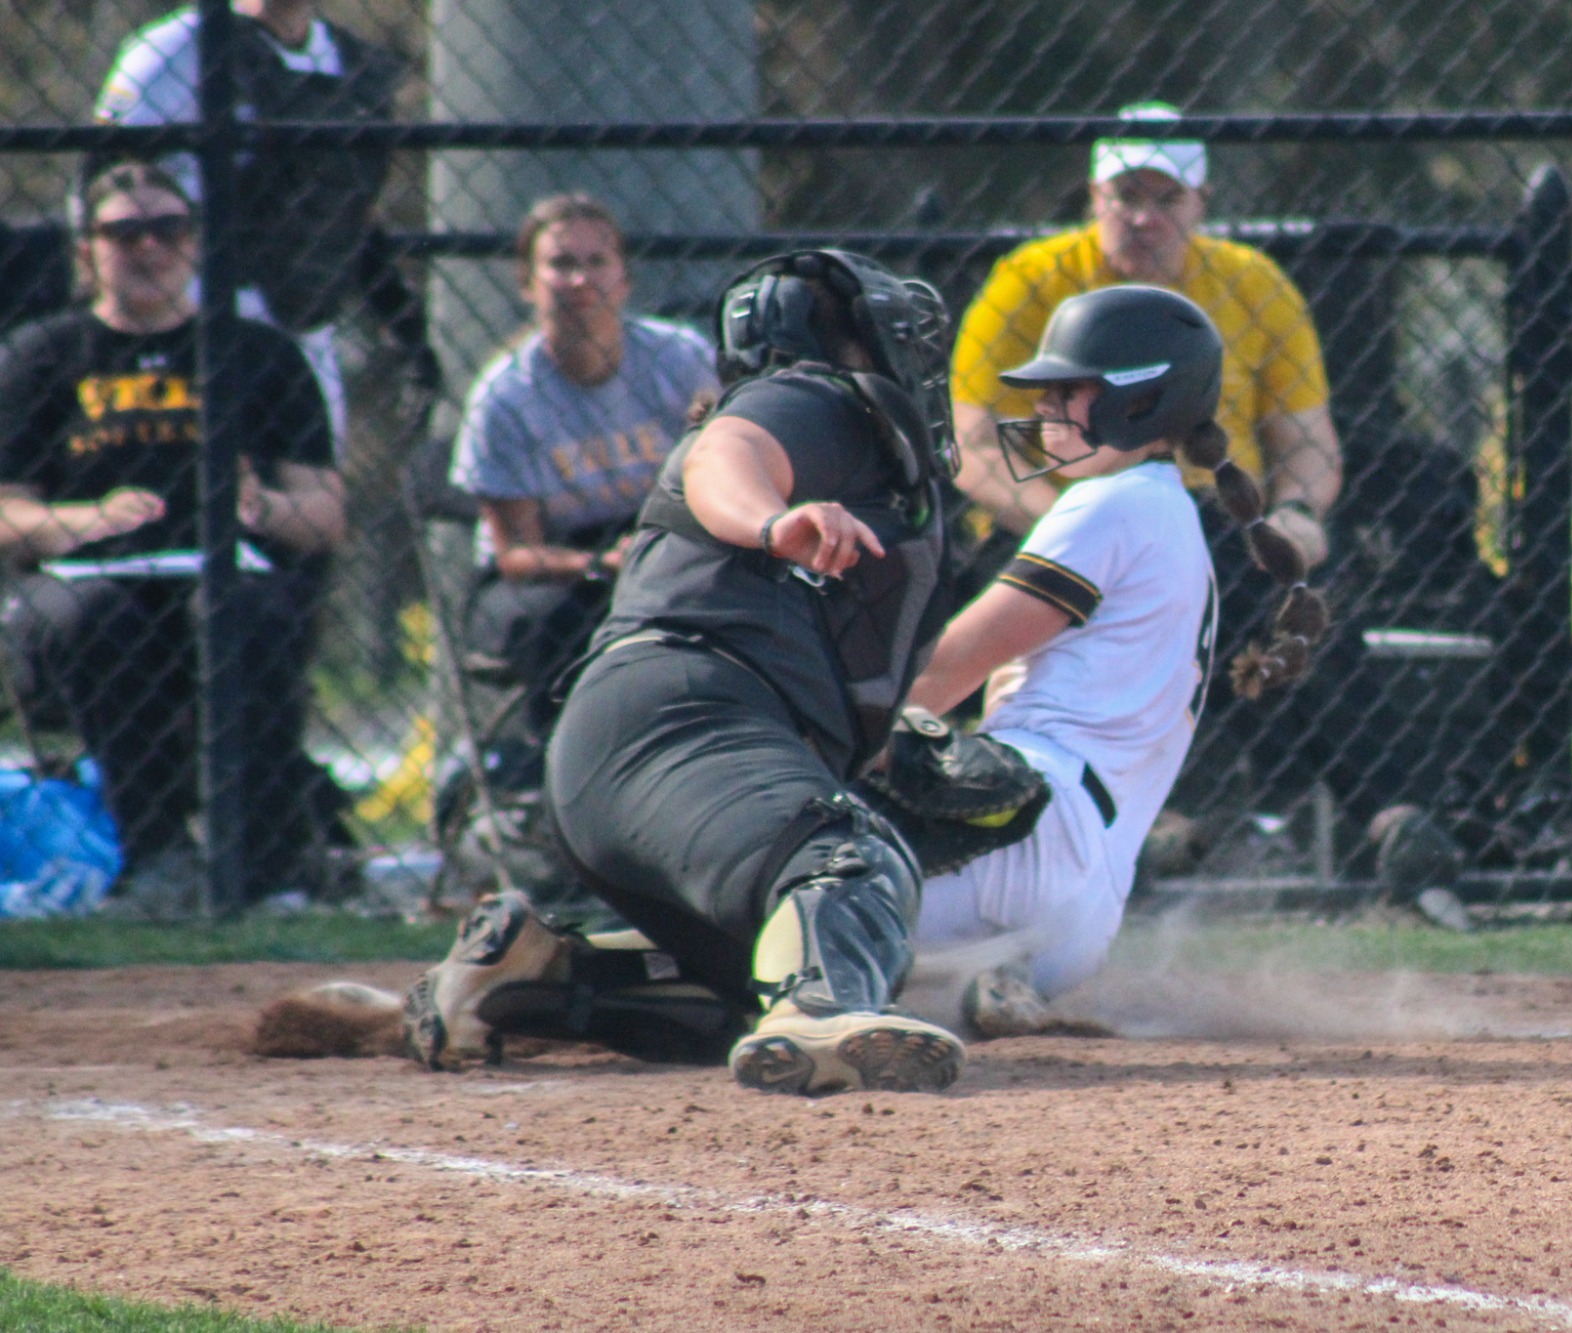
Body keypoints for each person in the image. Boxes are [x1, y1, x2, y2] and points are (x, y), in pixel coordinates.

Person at [404, 250, 969, 1096]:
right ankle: (817, 1009)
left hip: (637, 742)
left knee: (740, 985)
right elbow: (722, 458)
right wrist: (772, 523)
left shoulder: (874, 463)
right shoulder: (810, 395)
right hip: (690, 712)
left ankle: (531, 969)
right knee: (847, 856)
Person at [907, 285, 1326, 1030]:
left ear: (1140, 402)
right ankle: (975, 976)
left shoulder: (1108, 503)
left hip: (1018, 838)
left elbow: (947, 672)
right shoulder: (1165, 510)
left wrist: (823, 740)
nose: (1043, 408)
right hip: (1078, 905)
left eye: (1067, 389)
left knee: (786, 871)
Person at [948, 103, 1365, 854]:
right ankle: (1137, 823)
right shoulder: (1031, 279)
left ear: (1201, 204)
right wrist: (1065, 527)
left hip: (1207, 513)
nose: (1143, 218)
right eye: (1125, 197)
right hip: (1048, 514)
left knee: (1299, 601)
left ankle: (1377, 816)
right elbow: (973, 441)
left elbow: (1307, 440)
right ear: (1093, 200)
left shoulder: (1255, 284)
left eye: (1165, 199)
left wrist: (1299, 509)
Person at [0, 161, 347, 905]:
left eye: (168, 228)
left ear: (195, 243)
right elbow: (7, 513)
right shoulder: (40, 355)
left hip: (220, 570)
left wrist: (262, 510)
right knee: (102, 622)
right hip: (84, 584)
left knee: (242, 614)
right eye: (124, 232)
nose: (148, 247)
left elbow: (324, 513)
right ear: (87, 249)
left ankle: (265, 870)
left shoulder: (256, 350)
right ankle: (157, 859)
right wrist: (83, 521)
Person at [94, 0, 438, 451]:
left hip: (306, 320)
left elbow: (348, 212)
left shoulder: (350, 61)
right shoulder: (174, 48)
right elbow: (99, 185)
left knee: (307, 497)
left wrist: (405, 328)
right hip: (196, 316)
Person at [450, 195, 719, 739]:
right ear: (528, 283)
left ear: (624, 279)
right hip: (562, 565)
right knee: (562, 623)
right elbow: (516, 553)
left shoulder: (680, 358)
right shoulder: (504, 397)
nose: (580, 280)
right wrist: (601, 563)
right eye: (560, 264)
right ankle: (566, 769)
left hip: (667, 537)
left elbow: (722, 472)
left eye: (597, 262)